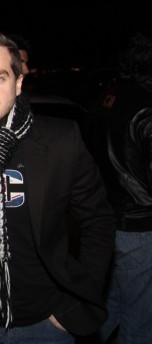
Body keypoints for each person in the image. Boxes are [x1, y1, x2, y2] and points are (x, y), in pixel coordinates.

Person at [0, 27, 115, 343]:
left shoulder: (60, 141)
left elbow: (99, 222)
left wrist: (70, 311)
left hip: (44, 323)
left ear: (18, 82)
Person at [94, 31, 152, 344]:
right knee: (141, 323)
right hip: (141, 227)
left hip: (112, 221)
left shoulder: (112, 96)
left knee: (110, 309)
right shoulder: (146, 107)